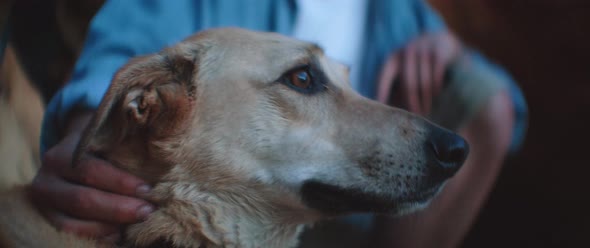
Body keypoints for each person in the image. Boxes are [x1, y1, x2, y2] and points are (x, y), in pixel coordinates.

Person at [32, 0, 527, 247]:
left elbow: (511, 113)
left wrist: (452, 49)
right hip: (224, 199)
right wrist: (87, 134)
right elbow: (127, 44)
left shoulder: (396, 9)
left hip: (358, 226)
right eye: (306, 79)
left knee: (486, 96)